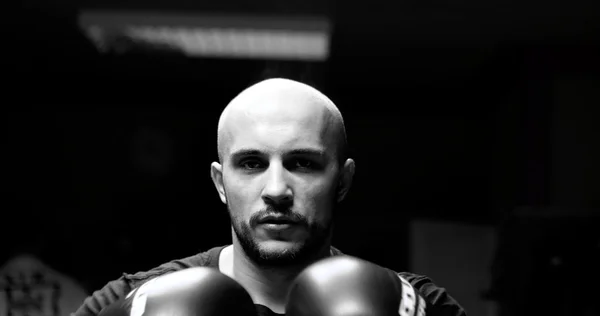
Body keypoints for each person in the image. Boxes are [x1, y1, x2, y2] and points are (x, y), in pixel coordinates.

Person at [72, 78, 467, 316]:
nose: (276, 190)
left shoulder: (414, 304)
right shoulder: (132, 298)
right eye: (250, 163)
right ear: (220, 183)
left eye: (303, 163)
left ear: (343, 180)